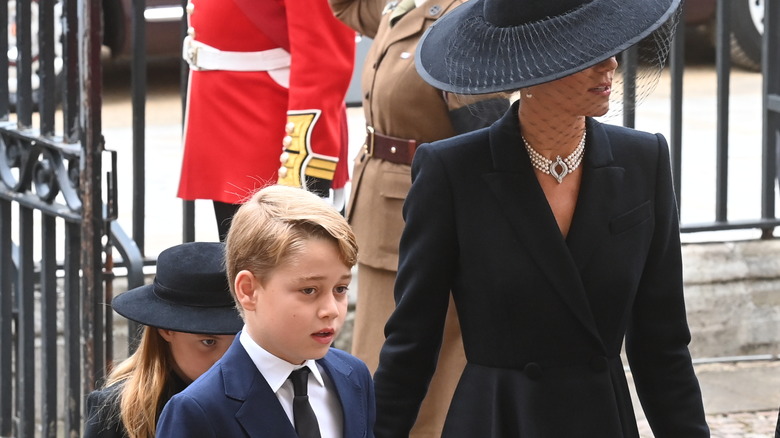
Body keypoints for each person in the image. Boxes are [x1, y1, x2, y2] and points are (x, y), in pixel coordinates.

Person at [372, 0, 711, 436]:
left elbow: (663, 347)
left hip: (600, 420)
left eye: (607, 46)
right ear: (533, 66)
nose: (609, 63)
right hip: (499, 419)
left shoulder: (643, 161)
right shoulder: (453, 172)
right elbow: (411, 344)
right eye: (585, 52)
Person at [328, 1, 507, 435]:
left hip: (424, 224)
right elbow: (345, 6)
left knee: (418, 386)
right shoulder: (403, 4)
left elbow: (487, 138)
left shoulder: (464, 15)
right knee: (378, 374)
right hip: (379, 216)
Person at [156, 184, 375, 438]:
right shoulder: (199, 409)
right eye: (309, 290)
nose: (331, 310)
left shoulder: (354, 376)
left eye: (340, 289)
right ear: (248, 290)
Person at [177, 0, 356, 240]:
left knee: (287, 263)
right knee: (239, 262)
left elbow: (323, 59)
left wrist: (303, 162)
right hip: (224, 115)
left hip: (270, 129)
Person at [84, 242, 243, 438]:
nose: (225, 360)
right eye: (209, 342)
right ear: (166, 330)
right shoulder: (117, 411)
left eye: (238, 341)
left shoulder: (266, 396)